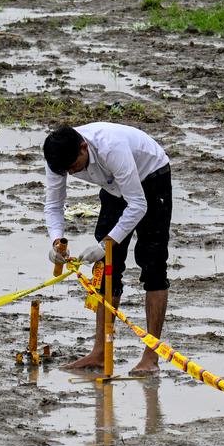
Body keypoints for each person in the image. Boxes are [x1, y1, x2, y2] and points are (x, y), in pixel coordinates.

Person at [43, 122, 171, 374]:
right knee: (107, 269)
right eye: (65, 170)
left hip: (151, 175)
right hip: (113, 185)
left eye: (73, 167)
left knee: (152, 263)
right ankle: (100, 352)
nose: (69, 172)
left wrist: (105, 245)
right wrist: (56, 241)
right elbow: (54, 206)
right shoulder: (57, 157)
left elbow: (137, 205)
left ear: (83, 147)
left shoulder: (111, 147)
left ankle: (151, 357)